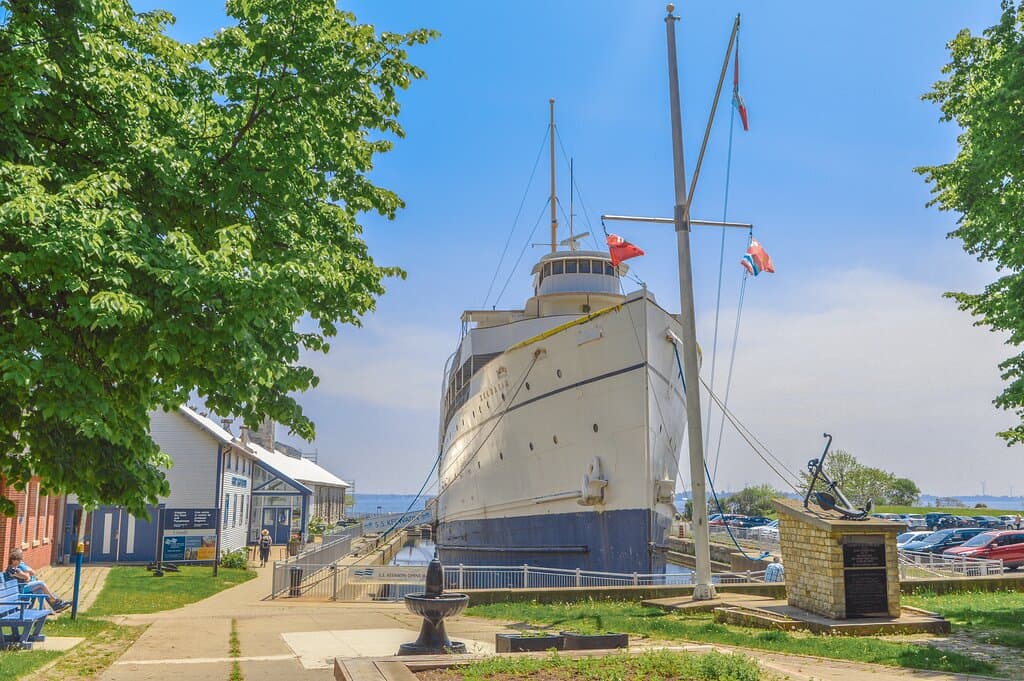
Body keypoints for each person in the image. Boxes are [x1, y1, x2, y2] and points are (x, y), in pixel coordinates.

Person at [5, 551, 71, 613]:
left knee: (40, 590)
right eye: (18, 560)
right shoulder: (11, 569)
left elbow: (26, 576)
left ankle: (44, 611)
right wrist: (24, 576)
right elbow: (25, 576)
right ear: (13, 560)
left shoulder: (17, 569)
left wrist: (24, 576)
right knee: (41, 583)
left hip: (23, 586)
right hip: (19, 589)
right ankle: (53, 599)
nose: (20, 562)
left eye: (20, 560)